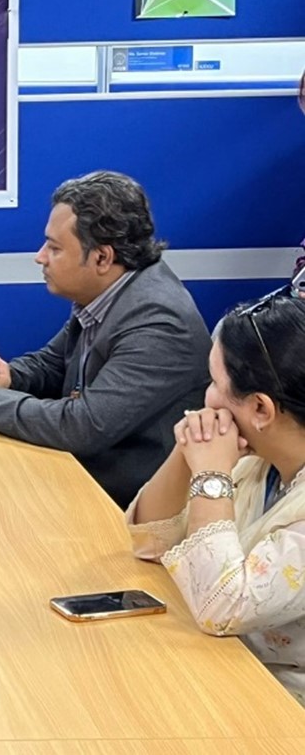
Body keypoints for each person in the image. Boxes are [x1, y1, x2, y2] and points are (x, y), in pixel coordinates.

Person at [0, 171, 210, 507]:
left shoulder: (159, 320)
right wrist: (8, 377)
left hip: (126, 505)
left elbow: (84, 427)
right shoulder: (110, 291)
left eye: (54, 248)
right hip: (82, 480)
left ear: (102, 257)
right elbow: (52, 362)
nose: (39, 257)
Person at [127, 290, 305, 705]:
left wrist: (209, 473)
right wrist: (189, 448)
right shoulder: (256, 462)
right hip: (224, 672)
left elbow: (221, 607)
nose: (205, 398)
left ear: (261, 409)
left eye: (215, 383)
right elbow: (151, 541)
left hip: (281, 708)